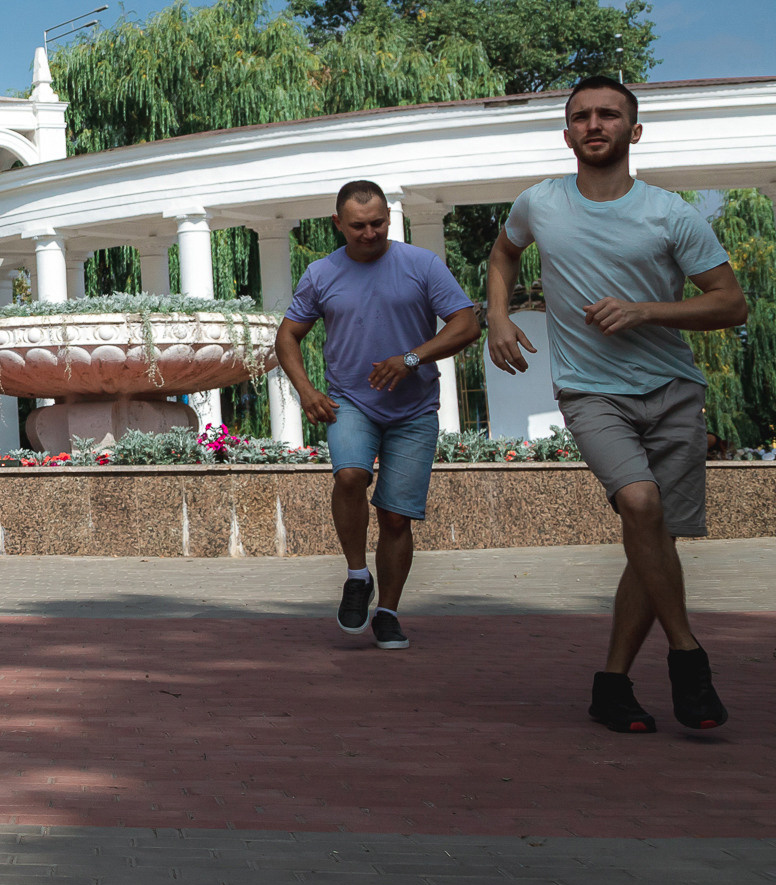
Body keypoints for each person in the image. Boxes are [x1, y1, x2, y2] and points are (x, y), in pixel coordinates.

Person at [487, 76, 747, 734]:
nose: (593, 124)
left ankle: (612, 684)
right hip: (590, 390)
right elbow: (503, 253)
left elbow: (730, 303)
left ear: (634, 131)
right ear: (567, 132)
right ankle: (688, 659)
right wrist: (497, 317)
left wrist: (647, 311)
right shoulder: (539, 204)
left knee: (653, 539)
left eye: (609, 115)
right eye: (581, 116)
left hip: (672, 390)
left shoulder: (671, 214)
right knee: (640, 505)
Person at [275, 182, 480, 650]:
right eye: (358, 226)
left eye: (378, 223)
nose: (369, 234)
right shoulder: (321, 273)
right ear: (337, 223)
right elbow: (287, 337)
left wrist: (411, 359)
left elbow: (466, 323)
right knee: (350, 476)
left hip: (414, 409)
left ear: (389, 217)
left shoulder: (421, 265)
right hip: (352, 402)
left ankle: (387, 611)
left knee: (394, 518)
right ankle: (356, 575)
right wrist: (307, 392)